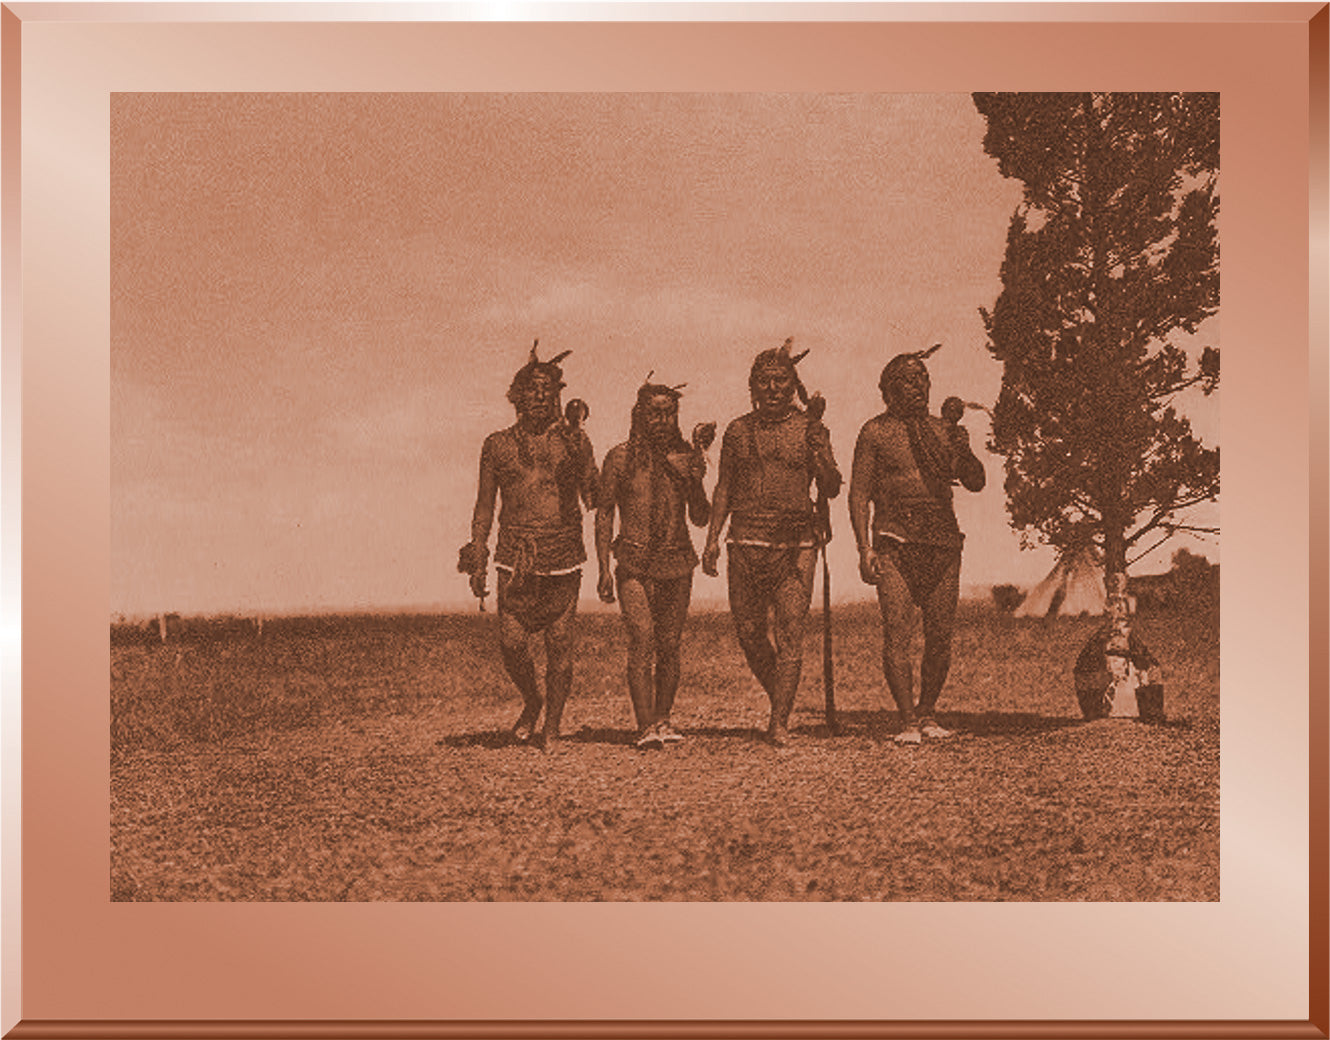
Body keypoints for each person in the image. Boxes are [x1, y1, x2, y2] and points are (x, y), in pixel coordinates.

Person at [458, 343, 598, 750]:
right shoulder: (497, 444)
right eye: (532, 389)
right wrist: (478, 551)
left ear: (559, 398)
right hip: (514, 555)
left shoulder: (572, 441)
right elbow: (485, 504)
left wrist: (582, 453)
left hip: (563, 554)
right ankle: (533, 700)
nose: (540, 396)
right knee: (511, 642)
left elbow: (594, 497)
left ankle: (551, 727)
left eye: (548, 390)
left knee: (559, 644)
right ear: (516, 396)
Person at [701, 339, 842, 746]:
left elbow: (831, 486)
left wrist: (819, 447)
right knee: (748, 633)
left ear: (793, 384)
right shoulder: (737, 431)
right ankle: (783, 696)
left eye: (781, 381)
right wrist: (711, 540)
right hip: (744, 540)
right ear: (752, 387)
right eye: (764, 382)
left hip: (796, 543)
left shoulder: (809, 428)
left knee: (790, 633)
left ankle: (778, 720)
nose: (773, 389)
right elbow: (724, 488)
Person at [848, 346, 986, 745]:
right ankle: (907, 720)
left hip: (942, 542)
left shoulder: (944, 431)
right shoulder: (874, 432)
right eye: (908, 381)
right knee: (897, 633)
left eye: (923, 379)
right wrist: (863, 548)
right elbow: (858, 495)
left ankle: (928, 713)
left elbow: (975, 482)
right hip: (895, 542)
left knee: (940, 635)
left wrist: (963, 448)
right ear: (888, 390)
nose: (918, 387)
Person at [595, 380, 713, 749]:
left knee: (670, 644)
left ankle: (663, 719)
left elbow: (700, 517)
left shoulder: (685, 458)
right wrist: (602, 568)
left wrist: (695, 479)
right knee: (642, 639)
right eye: (654, 413)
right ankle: (645, 725)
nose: (662, 420)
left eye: (669, 413)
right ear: (640, 415)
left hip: (677, 560)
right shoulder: (619, 458)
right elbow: (604, 515)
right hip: (632, 558)